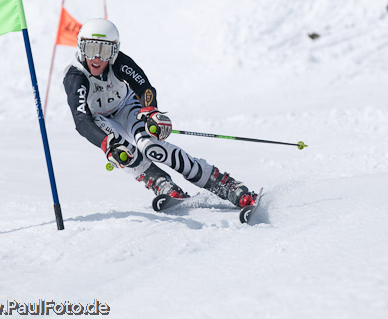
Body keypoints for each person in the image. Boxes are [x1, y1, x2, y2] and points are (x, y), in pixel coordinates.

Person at [63, 19, 258, 208]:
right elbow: (81, 120)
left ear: (114, 52)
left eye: (104, 51)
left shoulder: (120, 62)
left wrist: (150, 111)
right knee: (122, 152)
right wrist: (107, 144)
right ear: (81, 48)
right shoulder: (75, 76)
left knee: (151, 147)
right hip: (100, 119)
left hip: (126, 106)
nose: (96, 58)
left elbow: (144, 88)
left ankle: (223, 183)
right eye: (90, 49)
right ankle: (161, 183)